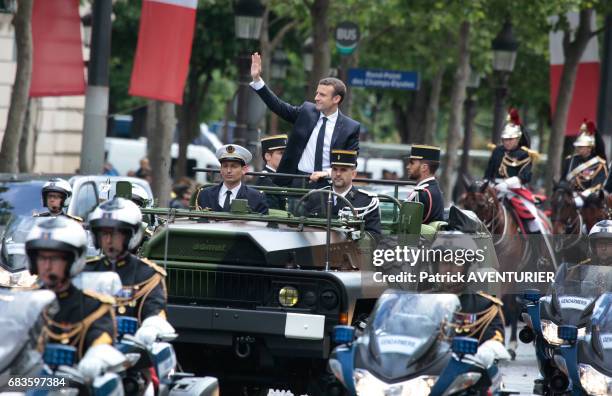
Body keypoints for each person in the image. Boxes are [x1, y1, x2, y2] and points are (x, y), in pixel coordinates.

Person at [250, 52, 360, 187]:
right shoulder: (306, 111)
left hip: (328, 184)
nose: (316, 98)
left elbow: (351, 162)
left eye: (322, 95)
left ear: (336, 99)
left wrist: (326, 173)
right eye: (317, 93)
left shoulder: (350, 127)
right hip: (297, 180)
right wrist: (257, 80)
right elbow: (279, 106)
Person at [25, 217, 117, 375]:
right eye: (41, 258)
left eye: (55, 258)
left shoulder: (94, 306)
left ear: (73, 260)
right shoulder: (23, 301)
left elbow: (101, 338)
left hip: (72, 385)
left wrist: (96, 355)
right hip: (23, 383)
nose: (47, 266)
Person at [87, 198, 168, 331]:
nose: (108, 240)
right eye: (104, 233)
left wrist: (154, 325)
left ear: (131, 234)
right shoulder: (86, 270)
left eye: (115, 234)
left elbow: (155, 310)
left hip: (132, 345)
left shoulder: (148, 275)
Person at [429, 231, 505, 345]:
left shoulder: (485, 307)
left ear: (468, 267)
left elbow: (494, 342)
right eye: (444, 262)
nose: (449, 269)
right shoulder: (423, 303)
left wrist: (488, 350)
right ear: (436, 268)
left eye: (456, 262)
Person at [484, 108, 543, 234]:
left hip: (515, 191)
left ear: (517, 139)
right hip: (494, 190)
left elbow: (525, 176)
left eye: (510, 139)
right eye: (505, 139)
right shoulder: (497, 151)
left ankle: (540, 248)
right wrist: (488, 185)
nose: (507, 142)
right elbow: (488, 173)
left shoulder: (524, 154)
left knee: (534, 220)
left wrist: (506, 184)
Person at [306, 150, 381, 236]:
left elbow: (374, 235)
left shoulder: (366, 201)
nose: (338, 174)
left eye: (343, 170)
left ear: (353, 174)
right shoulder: (316, 196)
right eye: (334, 169)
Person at [195, 144, 269, 214]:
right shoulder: (205, 194)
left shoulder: (256, 197)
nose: (229, 171)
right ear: (220, 169)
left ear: (244, 170)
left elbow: (261, 225)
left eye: (234, 166)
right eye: (225, 166)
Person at [560, 119, 608, 201]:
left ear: (589, 148)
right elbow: (563, 179)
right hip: (569, 196)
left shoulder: (598, 164)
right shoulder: (570, 160)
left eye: (582, 147)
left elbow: (596, 185)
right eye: (578, 147)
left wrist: (581, 196)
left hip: (587, 199)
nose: (579, 149)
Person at [405, 145, 444, 223]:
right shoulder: (434, 189)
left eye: (412, 163)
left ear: (424, 167)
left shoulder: (421, 193)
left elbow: (406, 223)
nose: (408, 167)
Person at [255, 134, 288, 210]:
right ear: (267, 156)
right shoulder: (265, 180)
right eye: (281, 153)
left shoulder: (284, 177)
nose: (285, 156)